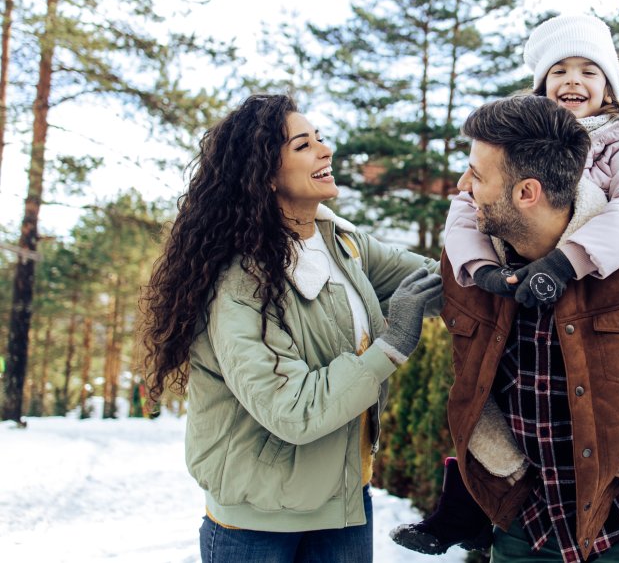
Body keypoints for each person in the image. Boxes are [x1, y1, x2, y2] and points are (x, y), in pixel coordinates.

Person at [392, 14, 619, 561]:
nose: (573, 81)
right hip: (525, 514)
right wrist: (482, 270)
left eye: (588, 70)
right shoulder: (490, 208)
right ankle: (462, 505)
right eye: (558, 71)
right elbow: (462, 219)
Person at [137, 94, 442, 563]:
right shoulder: (241, 279)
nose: (326, 151)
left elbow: (435, 280)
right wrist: (392, 343)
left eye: (320, 139)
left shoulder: (340, 242)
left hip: (343, 504)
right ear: (265, 173)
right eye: (304, 145)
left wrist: (521, 260)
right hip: (258, 525)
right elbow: (293, 410)